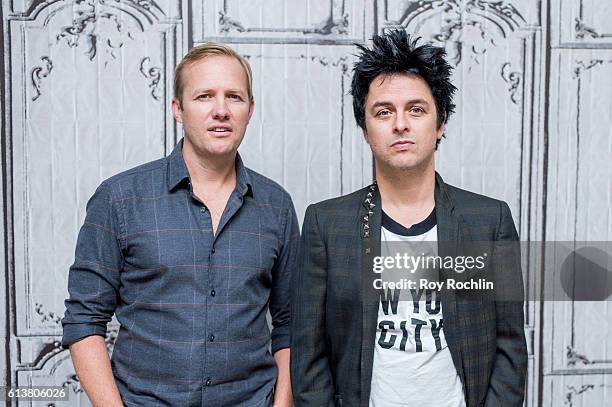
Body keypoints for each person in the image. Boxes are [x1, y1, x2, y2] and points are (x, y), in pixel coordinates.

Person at [291, 29, 527, 407]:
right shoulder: (325, 224)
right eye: (383, 112)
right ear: (365, 129)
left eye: (416, 109)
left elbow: (510, 346)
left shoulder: (489, 221)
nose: (400, 124)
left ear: (440, 123)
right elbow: (309, 355)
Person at [62, 42, 298, 407]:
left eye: (234, 97)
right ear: (178, 109)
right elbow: (84, 321)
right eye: (205, 96)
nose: (221, 110)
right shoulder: (119, 199)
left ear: (250, 110)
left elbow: (290, 324)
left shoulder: (277, 206)